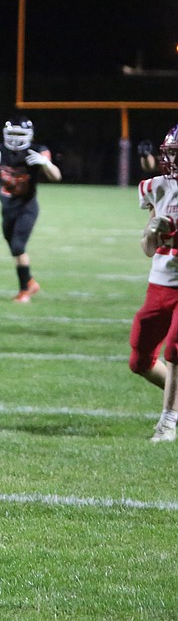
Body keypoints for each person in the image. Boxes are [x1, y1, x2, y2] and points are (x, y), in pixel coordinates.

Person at [130, 124, 178, 442]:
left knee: (175, 349)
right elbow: (149, 250)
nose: (171, 160)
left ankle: (168, 422)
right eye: (170, 153)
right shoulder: (157, 187)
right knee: (140, 360)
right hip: (160, 281)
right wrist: (151, 232)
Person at [0, 116, 62, 302]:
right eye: (13, 134)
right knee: (14, 250)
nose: (16, 138)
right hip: (7, 207)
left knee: (18, 247)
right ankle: (30, 282)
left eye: (20, 134)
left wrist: (46, 164)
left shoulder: (37, 151)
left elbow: (56, 176)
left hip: (26, 207)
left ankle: (24, 290)